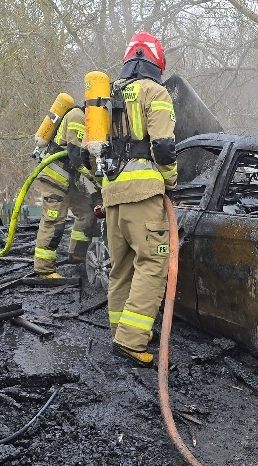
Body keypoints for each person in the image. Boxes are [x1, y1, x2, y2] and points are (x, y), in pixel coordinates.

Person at [101, 32, 177, 366]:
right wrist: (170, 179)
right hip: (144, 194)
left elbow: (94, 154)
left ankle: (121, 331)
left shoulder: (107, 97)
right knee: (152, 263)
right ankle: (133, 341)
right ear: (156, 64)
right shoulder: (155, 92)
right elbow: (163, 146)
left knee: (121, 268)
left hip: (112, 194)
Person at [32, 98, 96, 279]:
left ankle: (77, 254)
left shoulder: (84, 119)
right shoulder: (77, 116)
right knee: (54, 222)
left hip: (69, 180)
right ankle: (44, 270)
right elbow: (76, 157)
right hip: (55, 178)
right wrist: (96, 179)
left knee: (87, 211)